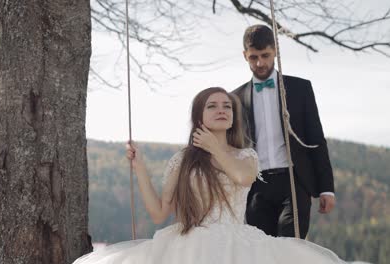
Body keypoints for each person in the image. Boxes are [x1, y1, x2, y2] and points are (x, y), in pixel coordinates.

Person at [72, 87, 353, 264]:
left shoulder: (247, 156)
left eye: (227, 106)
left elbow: (242, 178)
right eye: (212, 106)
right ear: (199, 117)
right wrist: (141, 167)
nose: (222, 110)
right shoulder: (182, 160)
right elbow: (159, 213)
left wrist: (216, 149)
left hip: (238, 244)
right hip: (189, 244)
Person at [232, 24, 336, 239]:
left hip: (294, 181)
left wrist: (327, 188)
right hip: (255, 188)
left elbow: (316, 139)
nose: (260, 63)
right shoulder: (235, 98)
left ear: (275, 51)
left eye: (265, 55)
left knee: (290, 246)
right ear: (245, 56)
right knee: (261, 251)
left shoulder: (300, 88)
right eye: (253, 57)